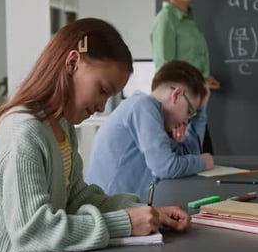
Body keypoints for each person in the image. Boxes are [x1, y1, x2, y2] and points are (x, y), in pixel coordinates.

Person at [0, 18, 190, 252]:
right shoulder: (23, 132)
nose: (103, 107)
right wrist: (124, 223)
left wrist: (147, 212)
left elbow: (77, 197)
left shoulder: (62, 126)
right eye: (102, 90)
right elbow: (32, 233)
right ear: (72, 63)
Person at [86, 60, 214, 196]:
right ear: (176, 95)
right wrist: (203, 162)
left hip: (129, 208)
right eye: (189, 111)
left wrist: (200, 111)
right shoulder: (143, 106)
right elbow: (165, 167)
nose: (186, 121)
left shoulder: (156, 118)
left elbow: (189, 154)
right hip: (110, 212)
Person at [150, 0, 218, 153]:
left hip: (194, 104)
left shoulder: (189, 20)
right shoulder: (166, 20)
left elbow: (187, 62)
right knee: (196, 162)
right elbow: (165, 72)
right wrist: (175, 118)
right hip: (179, 109)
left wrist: (203, 80)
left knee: (204, 159)